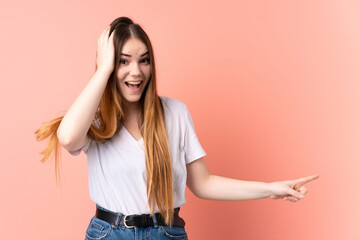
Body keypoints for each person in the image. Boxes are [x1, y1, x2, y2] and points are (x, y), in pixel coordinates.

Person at [35, 16, 319, 240]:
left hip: (166, 233)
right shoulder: (94, 119)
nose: (136, 71)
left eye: (144, 60)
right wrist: (103, 69)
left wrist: (270, 189)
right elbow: (68, 138)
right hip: (109, 234)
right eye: (124, 61)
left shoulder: (175, 113)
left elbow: (203, 183)